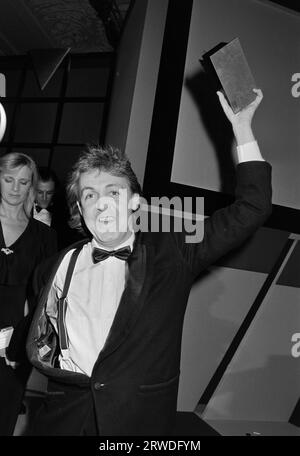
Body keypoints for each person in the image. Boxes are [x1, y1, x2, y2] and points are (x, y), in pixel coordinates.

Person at [26, 89, 272, 436]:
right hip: (63, 420)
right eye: (90, 195)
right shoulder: (54, 266)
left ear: (134, 203)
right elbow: (40, 330)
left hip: (137, 424)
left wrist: (243, 128)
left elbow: (252, 210)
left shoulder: (174, 251)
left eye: (114, 191)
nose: (102, 204)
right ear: (79, 209)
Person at [0, 149, 57, 436]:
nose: (15, 188)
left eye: (23, 182)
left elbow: (41, 296)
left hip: (13, 338)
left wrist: (19, 342)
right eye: (9, 179)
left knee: (4, 411)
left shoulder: (44, 236)